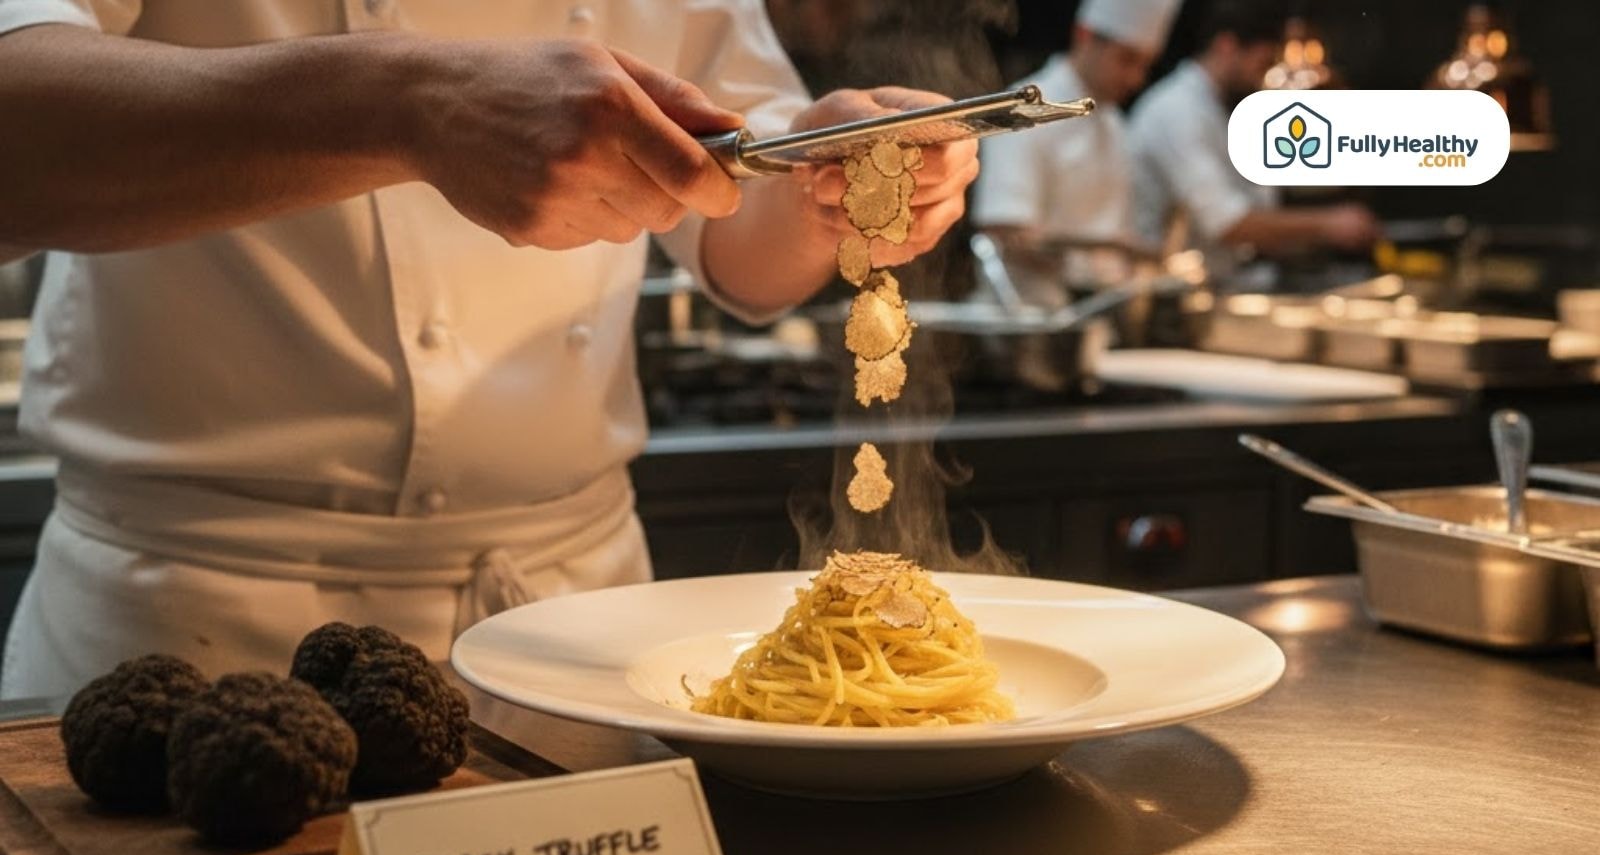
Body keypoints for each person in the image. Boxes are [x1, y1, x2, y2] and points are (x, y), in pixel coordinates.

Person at [0, 0, 979, 700]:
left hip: (573, 620)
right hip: (197, 625)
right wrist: (404, 103)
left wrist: (822, 182)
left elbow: (735, 234)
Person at [1129, 0, 1380, 284]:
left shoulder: (1222, 106)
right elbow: (1228, 222)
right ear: (1226, 46)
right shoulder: (1176, 110)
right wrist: (1329, 224)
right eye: (1262, 63)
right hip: (1168, 295)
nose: (1263, 76)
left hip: (1225, 283)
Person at [971, 0, 1180, 292]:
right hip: (1034, 316)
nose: (1136, 79)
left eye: (1145, 65)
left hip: (1102, 309)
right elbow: (1006, 231)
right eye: (1127, 60)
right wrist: (1108, 247)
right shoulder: (1025, 109)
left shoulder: (1114, 124)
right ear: (1085, 35)